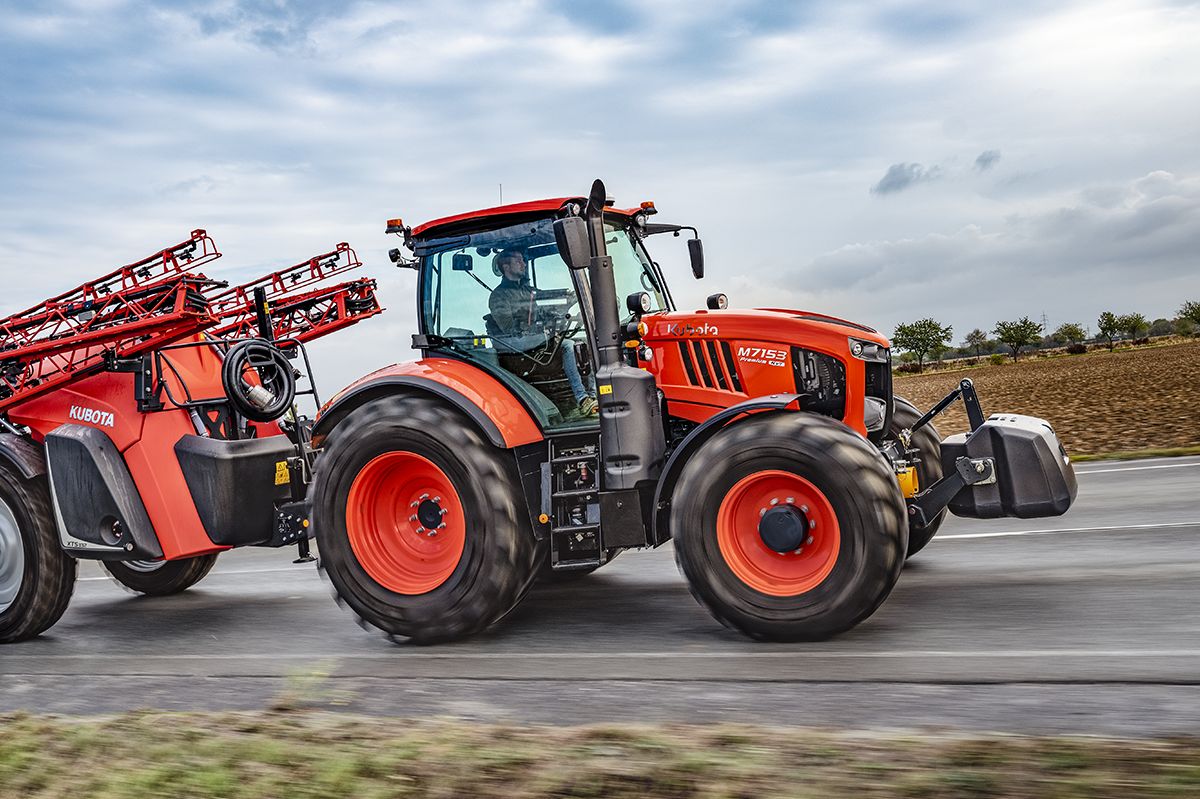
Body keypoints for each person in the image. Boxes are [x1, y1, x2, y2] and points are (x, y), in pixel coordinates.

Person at [489, 249, 597, 416]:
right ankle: (582, 398)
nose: (523, 264)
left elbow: (542, 313)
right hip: (516, 347)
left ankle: (594, 396)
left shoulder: (527, 291)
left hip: (533, 339)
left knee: (585, 341)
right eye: (518, 261)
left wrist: (564, 310)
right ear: (506, 266)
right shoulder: (498, 296)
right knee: (567, 345)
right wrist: (536, 327)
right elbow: (508, 329)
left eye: (523, 260)